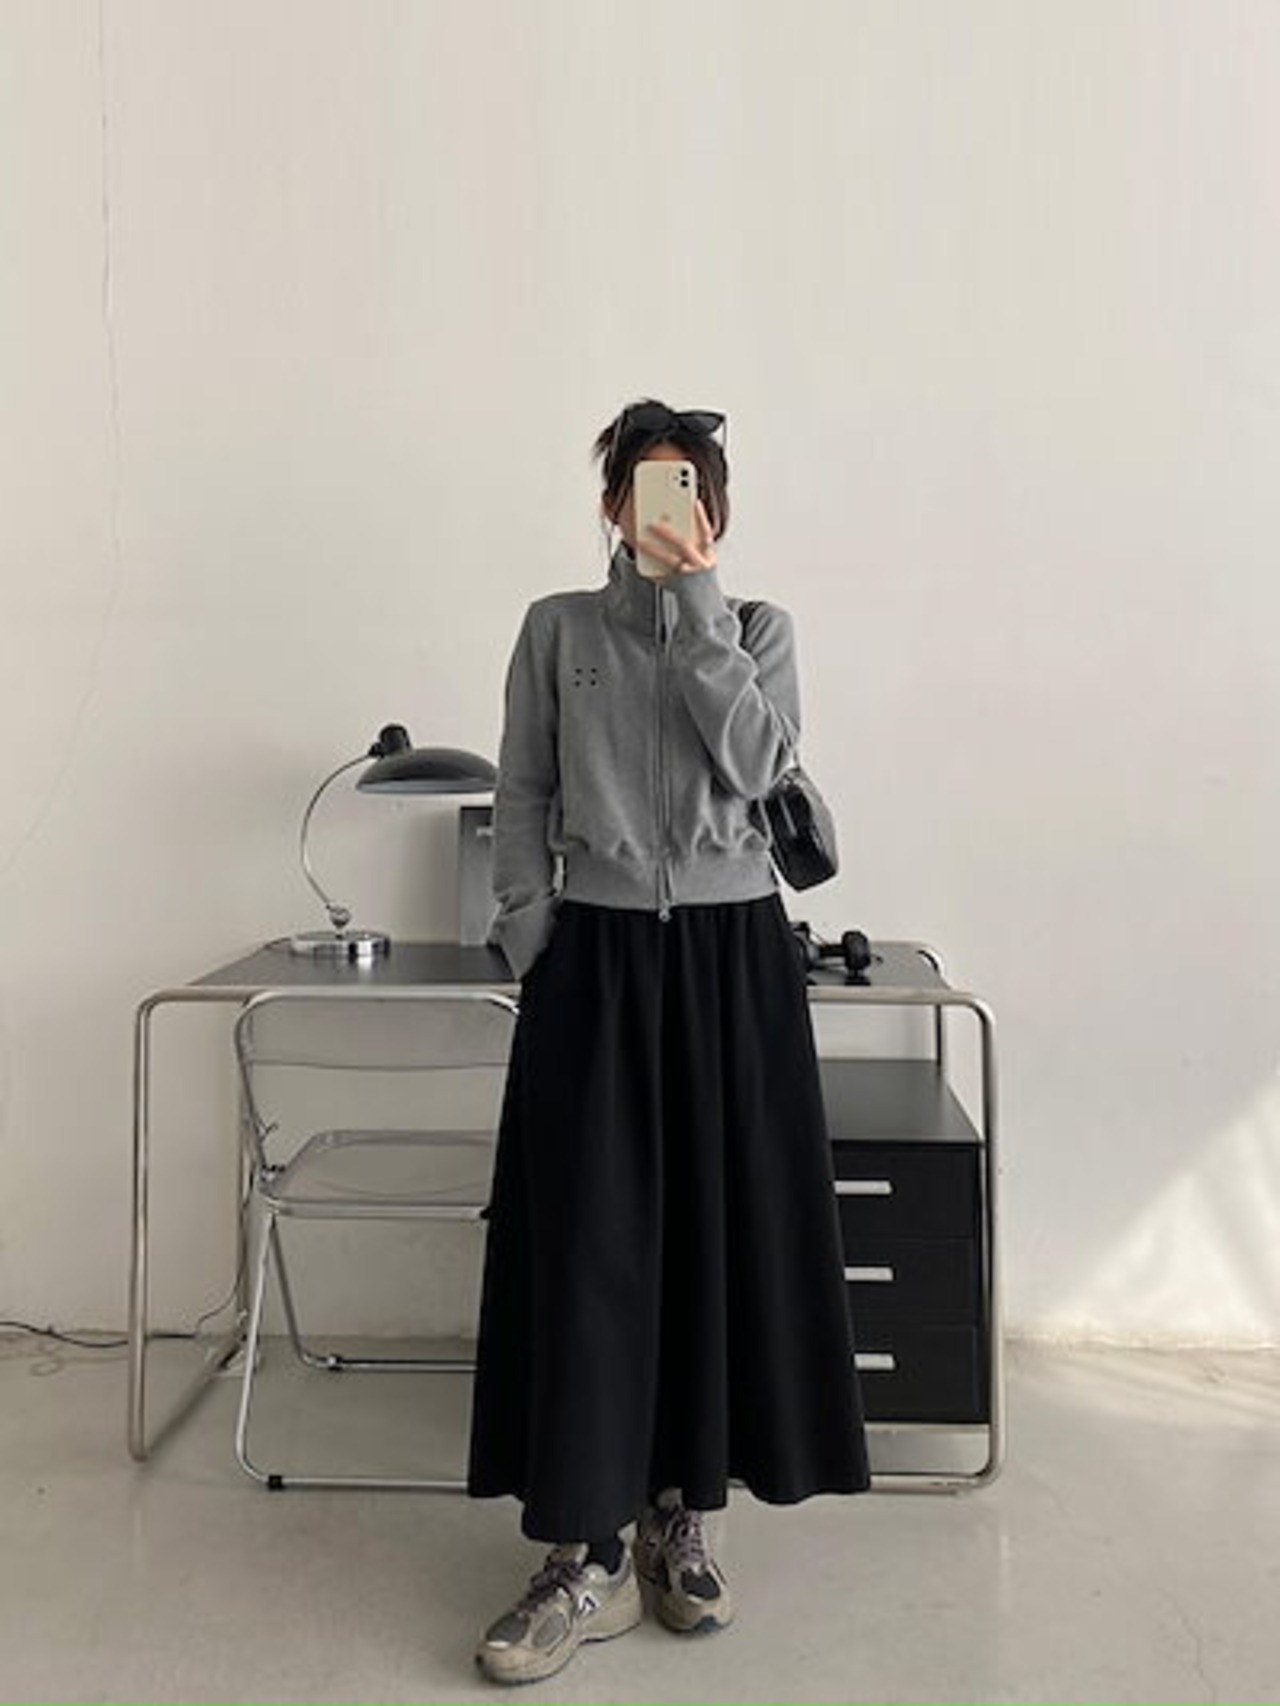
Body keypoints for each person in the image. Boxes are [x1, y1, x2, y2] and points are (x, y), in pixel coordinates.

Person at [467, 399, 869, 1687]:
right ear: (610, 508)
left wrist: (697, 610)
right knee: (590, 1245)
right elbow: (522, 786)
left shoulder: (757, 630)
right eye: (645, 488)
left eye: (687, 489)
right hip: (592, 955)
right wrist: (531, 927)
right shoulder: (556, 629)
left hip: (730, 957)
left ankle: (681, 1522)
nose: (664, 510)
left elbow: (759, 767)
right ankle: (581, 1549)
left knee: (708, 1239)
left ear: (715, 509)